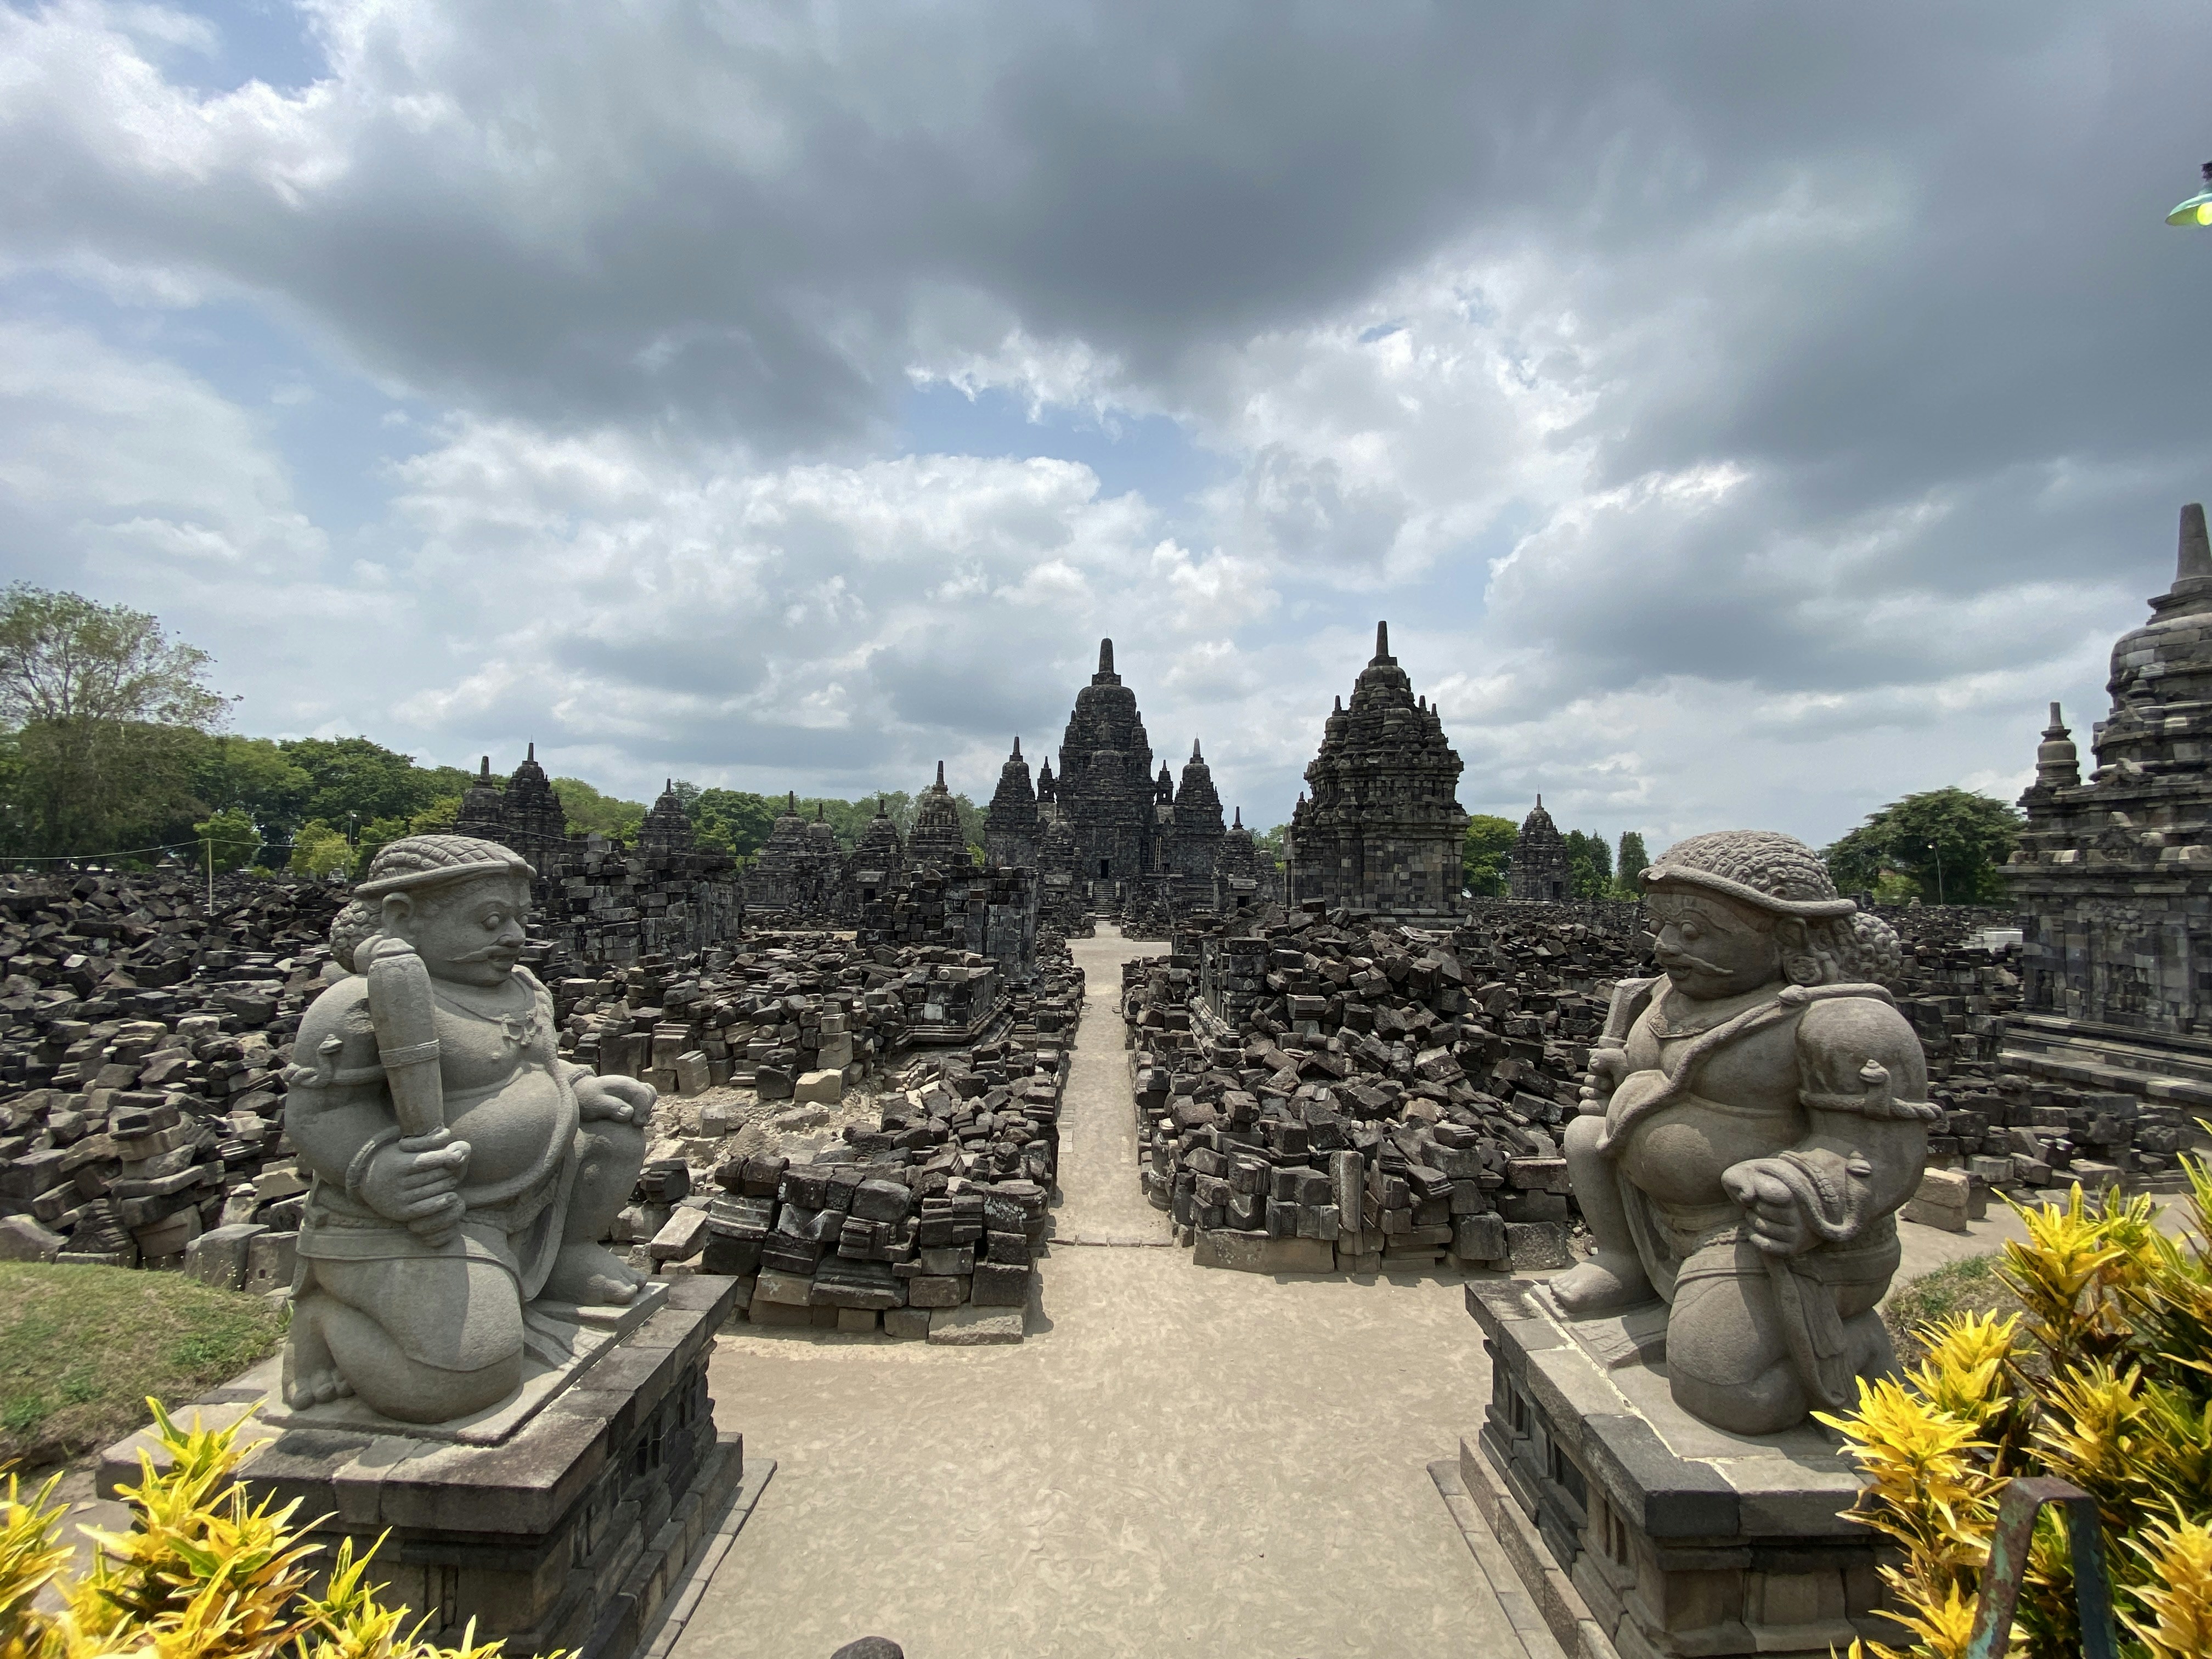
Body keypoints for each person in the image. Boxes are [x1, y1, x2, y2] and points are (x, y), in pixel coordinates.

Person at [1553, 830, 1934, 1435]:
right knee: (1585, 1135)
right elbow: (1674, 1074)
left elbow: (1880, 1152)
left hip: (1767, 1236)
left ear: (1787, 935)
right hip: (1655, 1211)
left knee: (1725, 1390)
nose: (1669, 945)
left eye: (1698, 931)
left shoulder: (1845, 1024)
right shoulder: (1663, 996)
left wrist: (1803, 1189)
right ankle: (1625, 1260)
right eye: (1662, 926)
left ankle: (1855, 1346)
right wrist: (1624, 1074)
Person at [279, 834, 653, 1423]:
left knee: (618, 1133)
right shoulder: (360, 1002)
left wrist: (582, 1087)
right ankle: (325, 1320)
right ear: (404, 918)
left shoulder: (523, 987)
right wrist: (375, 1167)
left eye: (517, 919)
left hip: (537, 1194)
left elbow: (538, 1063)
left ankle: (562, 1257)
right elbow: (317, 1115)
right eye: (488, 920)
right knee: (464, 1378)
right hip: (429, 1216)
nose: (512, 936)